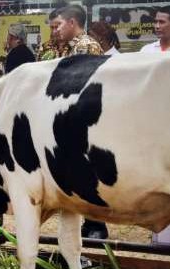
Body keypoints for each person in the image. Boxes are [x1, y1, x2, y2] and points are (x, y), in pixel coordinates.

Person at [53, 4, 108, 239]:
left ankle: (96, 225)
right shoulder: (69, 47)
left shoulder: (86, 46)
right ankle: (88, 223)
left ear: (72, 22)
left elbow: (83, 87)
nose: (55, 31)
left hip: (85, 120)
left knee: (89, 172)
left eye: (58, 25)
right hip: (73, 119)